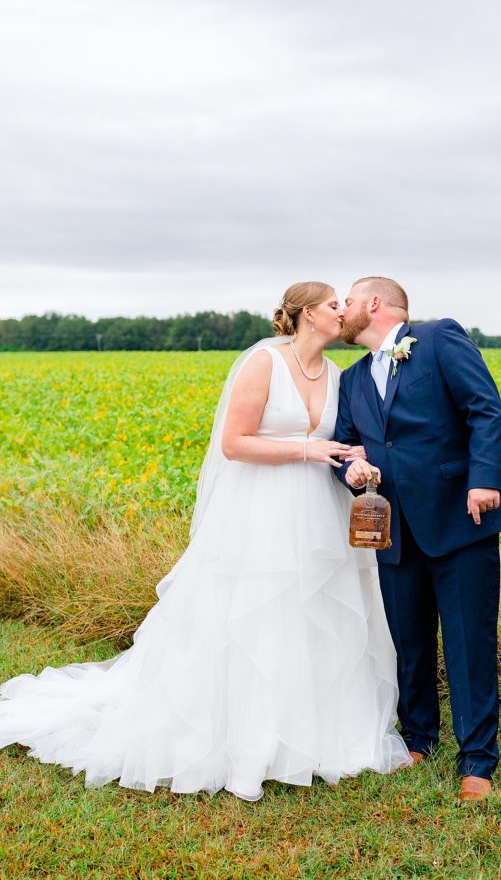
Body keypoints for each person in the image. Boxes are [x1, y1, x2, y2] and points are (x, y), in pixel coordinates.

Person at [0, 282, 410, 801]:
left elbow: (341, 440)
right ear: (308, 314)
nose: (343, 312)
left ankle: (315, 733)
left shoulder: (337, 375)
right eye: (334, 304)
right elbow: (235, 443)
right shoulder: (264, 362)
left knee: (315, 614)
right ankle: (245, 734)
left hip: (319, 513)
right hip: (261, 509)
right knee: (256, 612)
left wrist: (354, 459)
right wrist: (306, 451)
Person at [334, 277, 501, 801]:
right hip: (392, 529)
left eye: (346, 300)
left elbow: (485, 407)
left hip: (460, 518)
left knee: (467, 642)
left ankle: (477, 761)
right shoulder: (352, 379)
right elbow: (347, 447)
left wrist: (485, 479)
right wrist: (350, 470)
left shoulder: (437, 339)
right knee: (408, 643)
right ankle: (417, 740)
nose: (340, 310)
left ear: (373, 303)